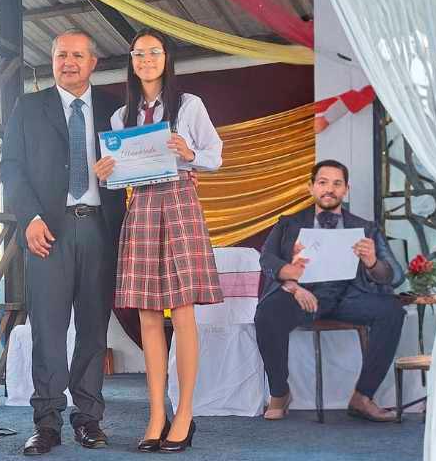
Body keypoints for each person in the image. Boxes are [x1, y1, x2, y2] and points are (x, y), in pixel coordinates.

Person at [94, 28, 223, 453]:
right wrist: (107, 174)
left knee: (183, 312)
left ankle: (184, 413)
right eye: (138, 53)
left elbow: (215, 157)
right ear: (131, 61)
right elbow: (120, 179)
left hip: (182, 201)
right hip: (143, 207)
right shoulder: (120, 118)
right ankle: (155, 414)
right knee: (149, 314)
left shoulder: (189, 105)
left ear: (167, 58)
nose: (146, 59)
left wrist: (189, 153)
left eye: (154, 52)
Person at [1, 29, 126, 456]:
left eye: (77, 55)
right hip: (47, 232)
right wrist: (29, 219)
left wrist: (122, 171)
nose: (68, 62)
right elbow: (12, 169)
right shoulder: (28, 107)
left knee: (93, 330)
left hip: (100, 230)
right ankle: (47, 423)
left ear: (93, 62)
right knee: (48, 333)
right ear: (52, 61)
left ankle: (88, 420)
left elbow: (137, 167)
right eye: (60, 55)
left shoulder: (115, 110)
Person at [254, 159, 405, 422]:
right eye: (323, 182)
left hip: (350, 296)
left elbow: (396, 275)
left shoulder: (366, 227)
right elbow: (267, 259)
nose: (329, 189)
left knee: (392, 310)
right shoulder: (288, 223)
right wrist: (291, 280)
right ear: (311, 186)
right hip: (303, 295)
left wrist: (372, 263)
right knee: (267, 312)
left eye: (337, 184)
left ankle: (363, 396)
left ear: (346, 189)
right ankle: (280, 392)